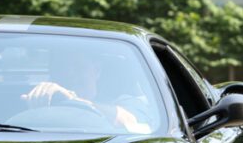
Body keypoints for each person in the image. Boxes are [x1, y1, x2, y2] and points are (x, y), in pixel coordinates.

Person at [21, 53, 152, 134]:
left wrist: (73, 99)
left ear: (96, 71)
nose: (70, 74)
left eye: (79, 67)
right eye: (62, 68)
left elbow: (130, 122)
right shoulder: (32, 100)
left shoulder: (124, 102)